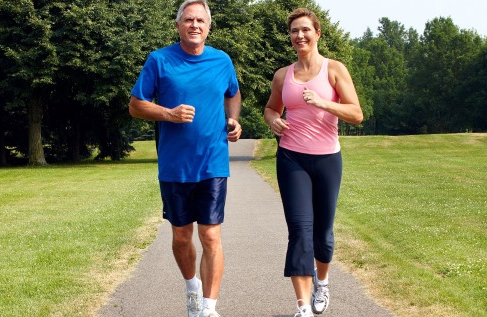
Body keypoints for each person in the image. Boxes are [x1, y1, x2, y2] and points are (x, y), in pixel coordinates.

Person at [128, 0, 242, 316]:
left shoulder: (222, 61)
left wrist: (233, 120)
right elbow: (136, 105)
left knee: (210, 235)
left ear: (209, 26)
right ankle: (192, 286)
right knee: (181, 237)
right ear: (178, 25)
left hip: (213, 161)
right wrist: (168, 113)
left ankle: (208, 307)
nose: (194, 25)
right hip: (175, 165)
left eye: (200, 20)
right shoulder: (159, 61)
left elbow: (233, 93)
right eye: (188, 19)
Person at [263, 7, 363, 317]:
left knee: (323, 233)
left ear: (317, 33)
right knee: (300, 230)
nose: (299, 35)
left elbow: (357, 115)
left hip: (327, 160)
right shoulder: (283, 75)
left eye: (305, 29)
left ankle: (323, 282)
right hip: (292, 158)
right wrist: (274, 121)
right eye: (294, 31)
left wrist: (322, 102)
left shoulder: (334, 70)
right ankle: (303, 307)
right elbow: (270, 109)